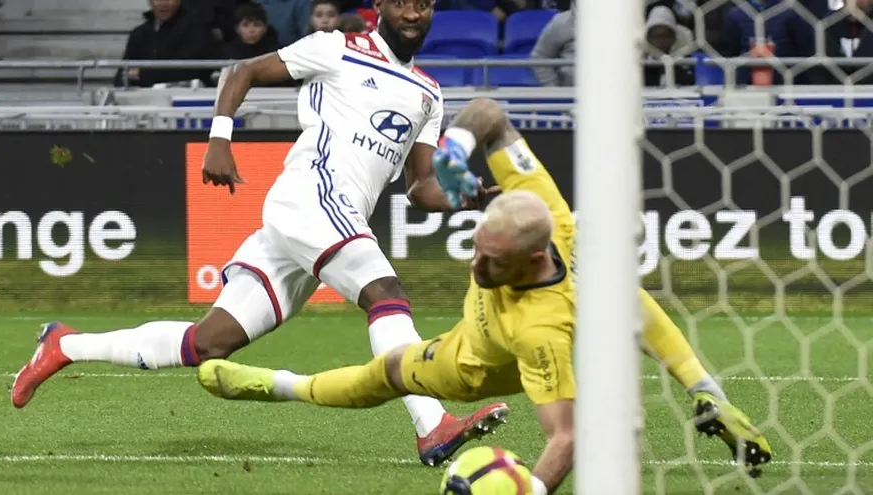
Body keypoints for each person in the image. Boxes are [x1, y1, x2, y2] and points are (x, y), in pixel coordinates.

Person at [10, 0, 503, 469]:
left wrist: (468, 197)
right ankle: (432, 425)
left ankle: (65, 345)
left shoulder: (427, 93)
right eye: (401, 3)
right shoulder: (337, 47)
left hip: (329, 219)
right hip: (311, 196)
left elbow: (421, 189)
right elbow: (242, 71)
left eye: (423, 4)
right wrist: (219, 139)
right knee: (386, 295)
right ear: (380, 6)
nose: (412, 13)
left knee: (208, 343)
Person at [197, 97, 774, 495]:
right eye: (476, 249)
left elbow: (567, 437)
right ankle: (708, 390)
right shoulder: (545, 209)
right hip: (556, 306)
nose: (475, 266)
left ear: (532, 261)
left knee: (388, 373)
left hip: (473, 362)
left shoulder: (539, 330)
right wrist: (456, 146)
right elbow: (492, 114)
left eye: (491, 262)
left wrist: (530, 488)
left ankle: (283, 385)